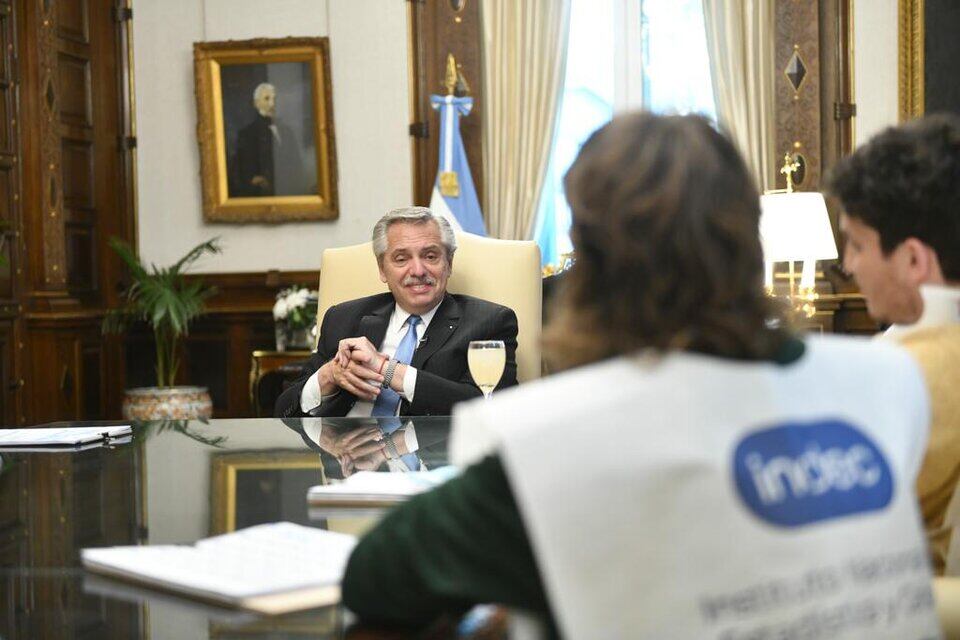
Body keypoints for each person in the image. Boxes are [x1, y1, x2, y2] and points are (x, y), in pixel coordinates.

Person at [340, 114, 939, 638]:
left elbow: (375, 582)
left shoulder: (552, 441)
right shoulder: (892, 383)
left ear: (590, 270)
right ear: (746, 242)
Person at [827, 113, 960, 573]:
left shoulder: (916, 375)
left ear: (913, 259)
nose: (849, 265)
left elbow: (832, 528)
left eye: (857, 245)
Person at [274, 207, 519, 419]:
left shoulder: (490, 322)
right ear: (382, 269)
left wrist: (385, 369)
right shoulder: (344, 318)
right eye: (401, 259)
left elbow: (492, 409)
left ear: (449, 263)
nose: (418, 270)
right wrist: (328, 377)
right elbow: (284, 411)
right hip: (346, 462)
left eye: (430, 256)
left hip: (431, 465)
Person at [231, 82, 308, 197]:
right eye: (266, 99)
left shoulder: (287, 131)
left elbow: (297, 167)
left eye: (274, 98)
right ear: (256, 103)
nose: (272, 104)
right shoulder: (247, 134)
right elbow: (242, 174)